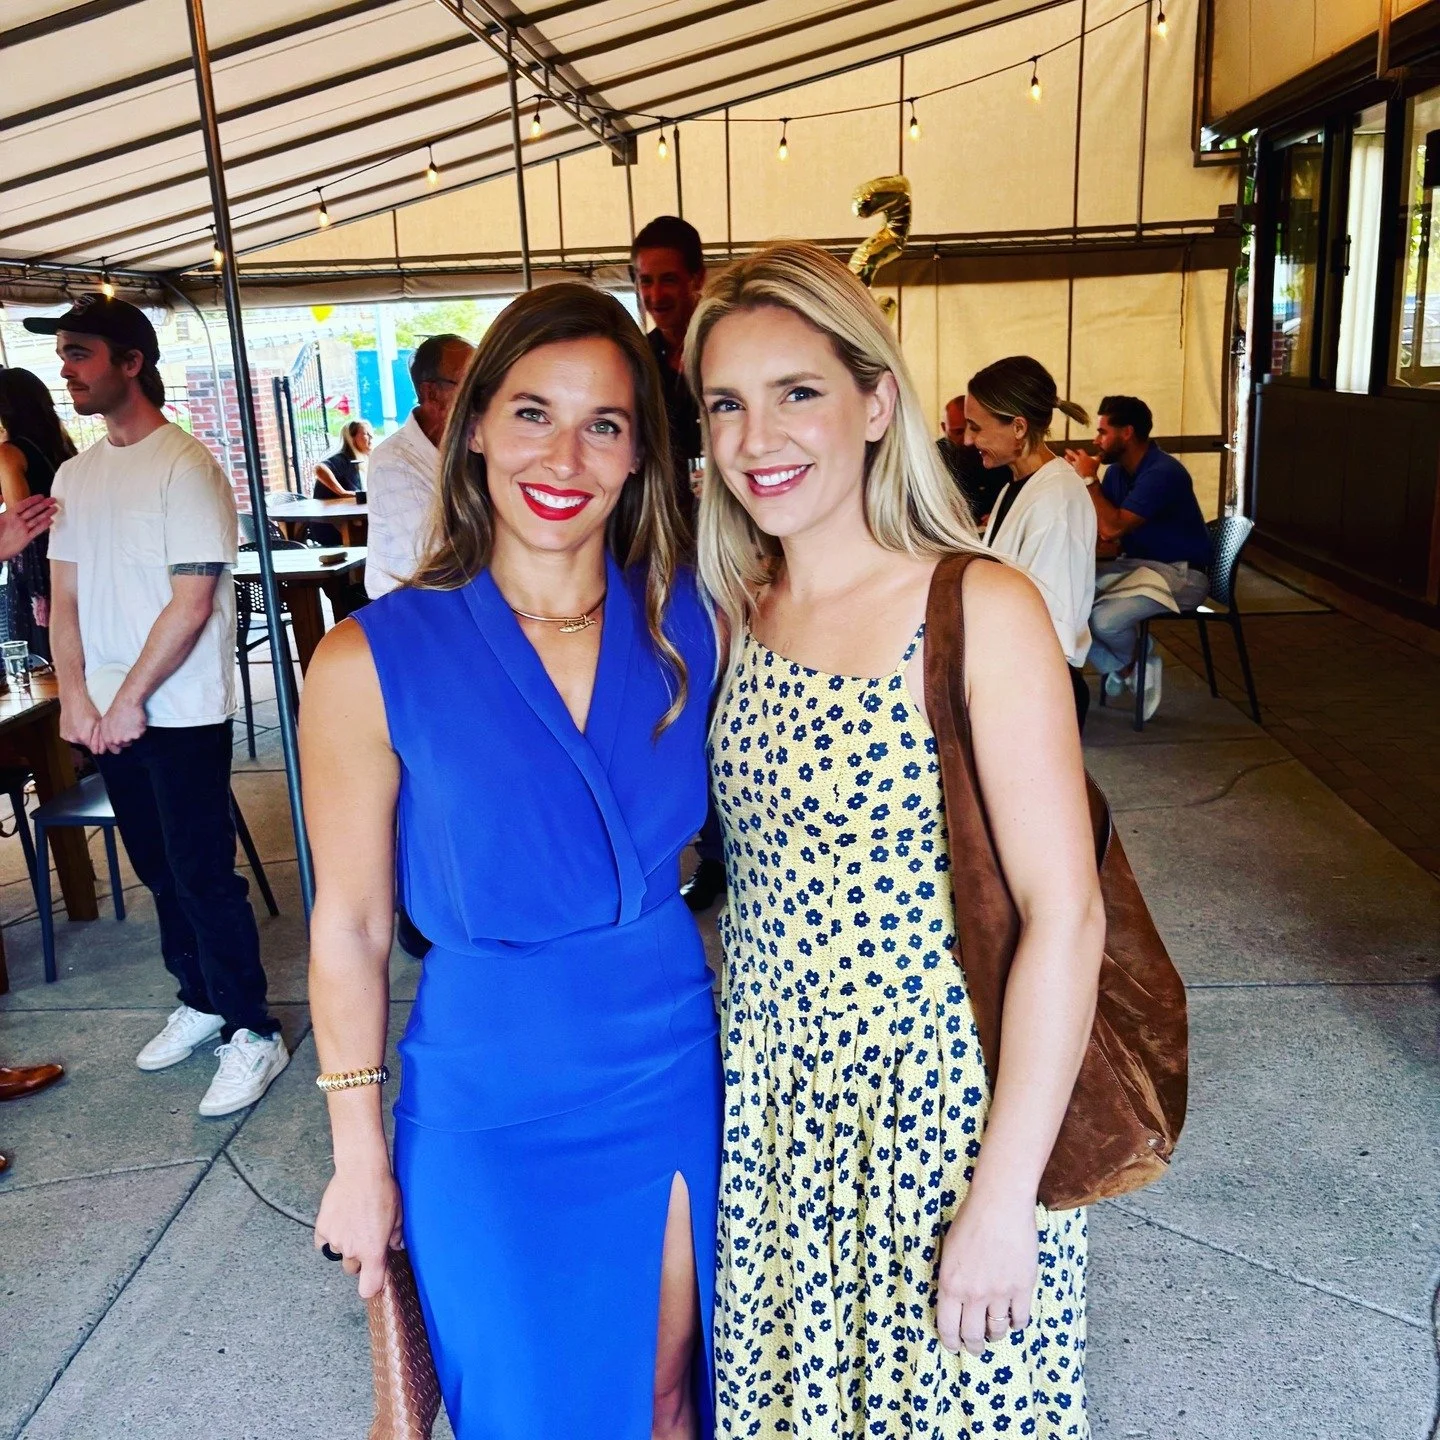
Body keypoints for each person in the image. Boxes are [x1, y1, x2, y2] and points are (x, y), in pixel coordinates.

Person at [689, 243, 1102, 1436]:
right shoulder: (734, 611)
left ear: (876, 403)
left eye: (797, 393)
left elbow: (1067, 915)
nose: (758, 437)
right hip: (772, 1114)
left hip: (939, 1117)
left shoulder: (977, 606)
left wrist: (1005, 1198)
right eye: (726, 403)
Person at [304, 283, 721, 1439]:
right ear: (474, 422)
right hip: (485, 1097)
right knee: (525, 1413)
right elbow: (350, 927)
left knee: (666, 1398)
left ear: (639, 454)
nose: (565, 457)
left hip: (666, 1065)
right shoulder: (368, 660)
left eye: (604, 424)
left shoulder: (695, 622)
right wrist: (357, 1155)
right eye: (534, 412)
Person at [28, 295, 287, 1118]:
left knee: (202, 872)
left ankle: (253, 1028)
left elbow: (193, 600)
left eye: (79, 353)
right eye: (63, 355)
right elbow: (63, 600)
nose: (65, 369)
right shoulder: (75, 475)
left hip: (178, 709)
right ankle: (199, 998)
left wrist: (130, 699)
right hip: (108, 712)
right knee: (157, 870)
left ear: (131, 362)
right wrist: (77, 698)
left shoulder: (187, 466)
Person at [632, 215, 725, 912]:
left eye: (668, 279)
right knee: (665, 710)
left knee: (725, 710)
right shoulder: (635, 364)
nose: (656, 294)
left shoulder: (725, 348)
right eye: (644, 281)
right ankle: (670, 853)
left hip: (728, 558)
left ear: (697, 279)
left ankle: (725, 857)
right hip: (656, 559)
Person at [965, 357, 1098, 731]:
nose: (969, 440)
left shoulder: (1056, 499)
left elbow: (1050, 622)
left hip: (1039, 686)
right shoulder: (1017, 486)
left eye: (976, 427)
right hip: (1017, 676)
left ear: (1018, 427)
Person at [1066, 395, 1212, 722]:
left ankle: (1129, 664)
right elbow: (1105, 535)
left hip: (1183, 575)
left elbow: (1112, 528)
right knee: (1068, 605)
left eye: (1103, 432)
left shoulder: (1163, 473)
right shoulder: (1118, 473)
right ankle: (1131, 665)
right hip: (1138, 566)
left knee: (1103, 622)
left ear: (1127, 432)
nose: (1096, 440)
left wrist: (1089, 480)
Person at [364, 333, 474, 599]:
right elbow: (435, 562)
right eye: (470, 382)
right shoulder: (393, 462)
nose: (483, 394)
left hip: (461, 598)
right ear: (431, 393)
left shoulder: (472, 446)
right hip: (413, 607)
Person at [0, 366, 75, 660]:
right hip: (70, 555)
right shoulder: (62, 446)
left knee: (38, 659)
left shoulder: (9, 454)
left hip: (35, 568)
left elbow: (20, 520)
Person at [937, 392, 1007, 522]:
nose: (967, 439)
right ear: (943, 427)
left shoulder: (995, 454)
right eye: (958, 432)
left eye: (973, 429)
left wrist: (998, 515)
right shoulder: (932, 458)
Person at [313, 418, 372, 497]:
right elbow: (319, 469)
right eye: (366, 434)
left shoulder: (357, 459)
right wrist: (342, 492)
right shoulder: (342, 458)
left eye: (370, 433)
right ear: (352, 437)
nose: (371, 437)